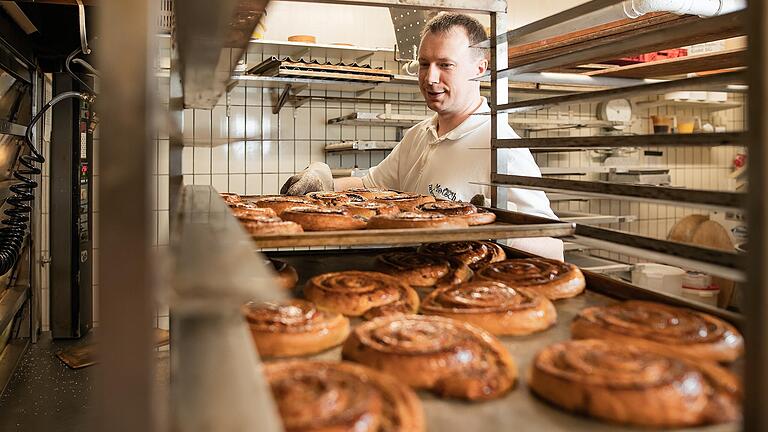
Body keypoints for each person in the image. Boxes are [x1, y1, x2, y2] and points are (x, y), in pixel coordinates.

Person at [281, 13, 564, 260]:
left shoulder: (500, 146)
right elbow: (372, 185)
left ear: (480, 68)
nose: (430, 78)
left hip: (462, 295)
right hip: (406, 272)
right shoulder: (419, 134)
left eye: (445, 65)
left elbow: (551, 246)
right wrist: (324, 183)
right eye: (425, 63)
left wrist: (488, 229)